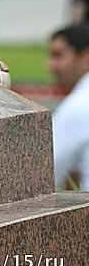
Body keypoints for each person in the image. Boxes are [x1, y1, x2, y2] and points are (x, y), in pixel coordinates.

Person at [48, 24, 89, 190]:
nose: (50, 65)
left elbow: (45, 170)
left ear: (86, 56)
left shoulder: (80, 104)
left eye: (58, 55)